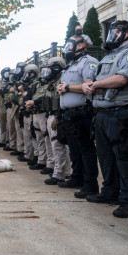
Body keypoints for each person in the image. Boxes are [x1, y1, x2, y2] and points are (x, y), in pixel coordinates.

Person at [82, 20, 128, 218]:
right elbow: (92, 78)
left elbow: (121, 79)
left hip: (122, 113)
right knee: (106, 157)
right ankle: (110, 192)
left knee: (125, 158)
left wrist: (97, 84)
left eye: (116, 31)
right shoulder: (109, 56)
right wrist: (88, 84)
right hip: (102, 113)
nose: (112, 35)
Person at [56, 34, 99, 197]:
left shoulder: (89, 62)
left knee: (86, 150)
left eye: (71, 44)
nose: (68, 47)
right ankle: (77, 178)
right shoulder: (71, 64)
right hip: (69, 114)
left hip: (82, 112)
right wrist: (61, 89)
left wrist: (67, 88)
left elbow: (89, 85)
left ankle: (90, 185)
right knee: (74, 150)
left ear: (81, 45)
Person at [42, 57, 72, 185]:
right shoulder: (53, 81)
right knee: (57, 145)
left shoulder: (62, 79)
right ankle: (65, 171)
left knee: (58, 145)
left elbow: (62, 101)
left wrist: (58, 117)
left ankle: (59, 174)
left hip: (57, 115)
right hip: (51, 114)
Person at [19, 64, 40, 166]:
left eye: (27, 73)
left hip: (33, 113)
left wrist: (23, 92)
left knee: (34, 136)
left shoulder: (36, 84)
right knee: (28, 135)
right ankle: (29, 155)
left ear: (32, 73)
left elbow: (28, 96)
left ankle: (36, 156)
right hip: (27, 113)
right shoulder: (30, 84)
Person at [0, 68, 11, 147]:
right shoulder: (0, 82)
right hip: (1, 104)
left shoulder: (12, 82)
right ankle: (2, 139)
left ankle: (8, 141)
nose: (7, 75)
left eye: (8, 73)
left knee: (9, 124)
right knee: (2, 123)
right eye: (5, 73)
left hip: (8, 104)